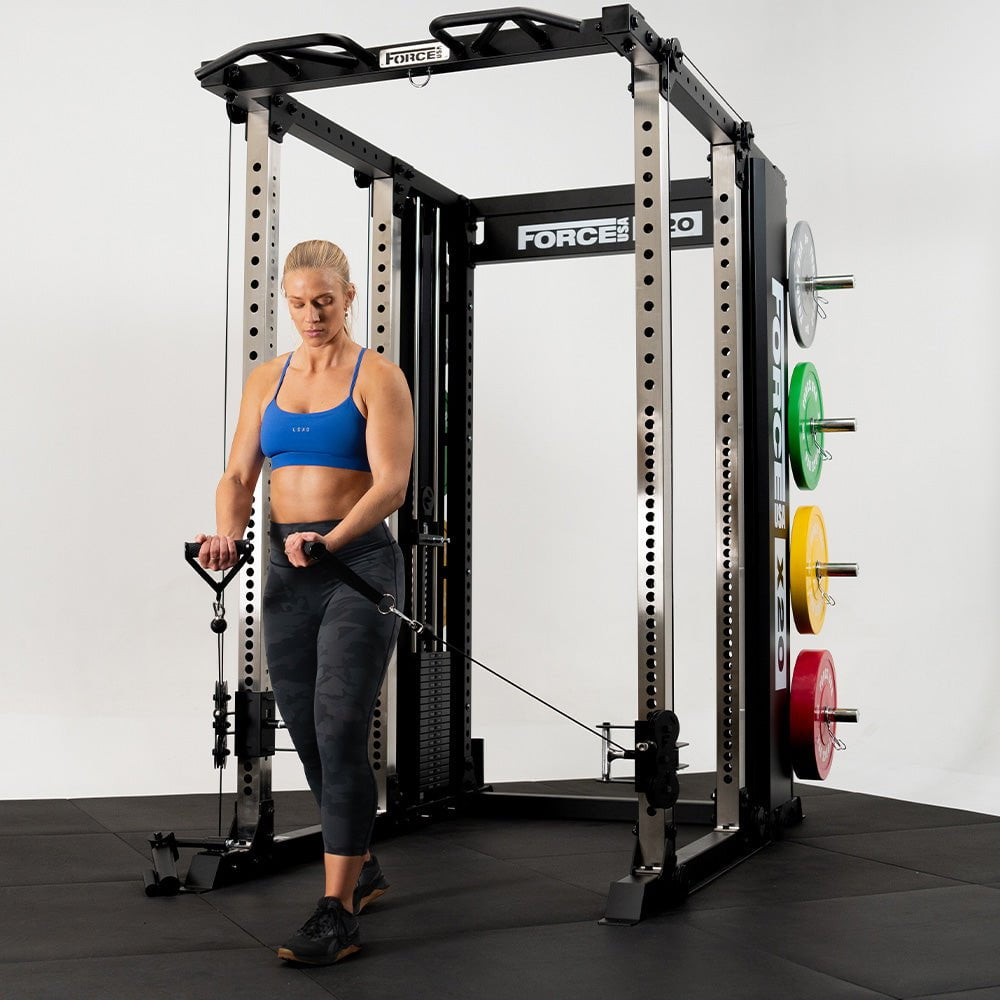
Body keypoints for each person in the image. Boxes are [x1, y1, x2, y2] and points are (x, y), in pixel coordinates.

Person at [194, 239, 414, 966]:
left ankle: (336, 910)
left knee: (340, 722)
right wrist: (228, 535)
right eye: (297, 303)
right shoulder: (268, 378)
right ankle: (362, 864)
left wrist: (331, 539)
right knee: (309, 733)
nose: (311, 314)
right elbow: (238, 475)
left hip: (357, 563)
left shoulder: (378, 377)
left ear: (350, 297)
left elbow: (391, 484)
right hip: (288, 573)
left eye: (323, 300)